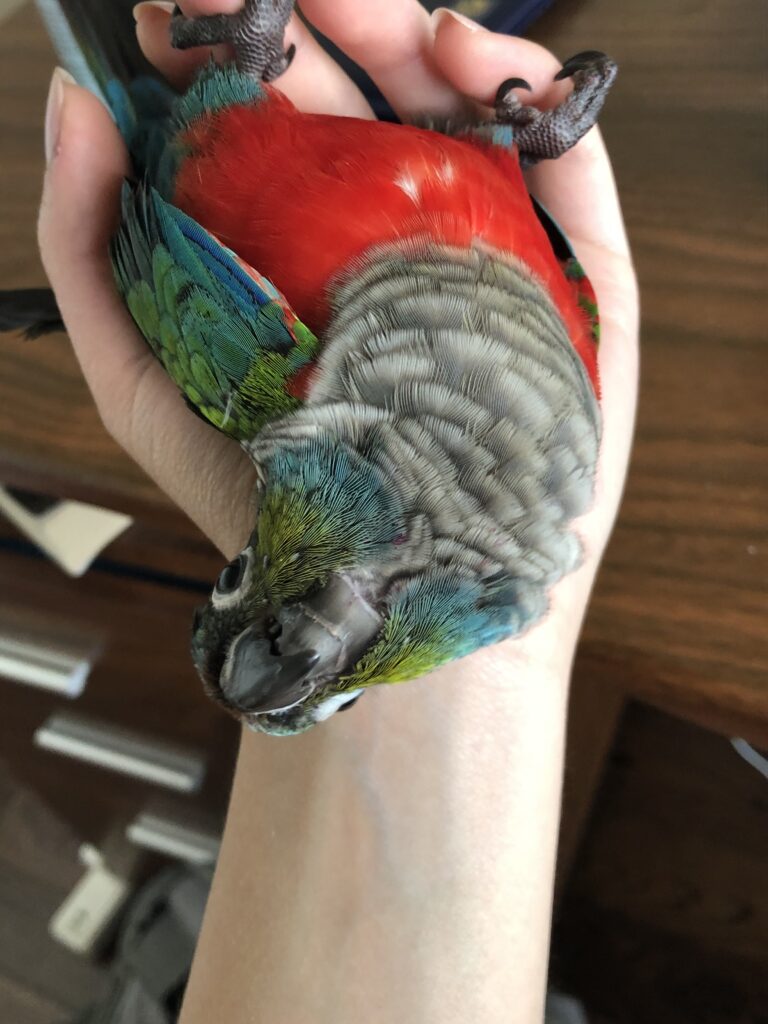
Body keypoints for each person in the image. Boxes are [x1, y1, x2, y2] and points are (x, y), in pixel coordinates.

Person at [38, 2, 639, 1020]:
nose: (300, 646)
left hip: (246, 131)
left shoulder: (270, 376)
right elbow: (511, 199)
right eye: (339, 688)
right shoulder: (571, 369)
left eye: (239, 578)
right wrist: (518, 139)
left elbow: (191, 165)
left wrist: (250, 58)